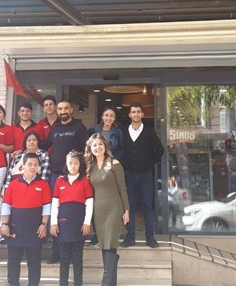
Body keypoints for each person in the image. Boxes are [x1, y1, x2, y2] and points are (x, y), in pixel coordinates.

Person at [43, 99, 88, 264]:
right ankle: (56, 252)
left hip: (74, 177)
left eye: (66, 108)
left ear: (71, 110)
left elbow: (87, 151)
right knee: (56, 212)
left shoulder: (79, 127)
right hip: (56, 176)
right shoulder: (55, 128)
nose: (63, 111)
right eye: (60, 108)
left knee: (72, 212)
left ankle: (72, 249)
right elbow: (45, 145)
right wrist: (27, 146)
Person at [85, 133, 129, 286]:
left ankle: (104, 283)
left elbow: (123, 188)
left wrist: (127, 210)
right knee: (105, 246)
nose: (98, 147)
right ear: (90, 148)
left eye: (100, 144)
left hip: (114, 209)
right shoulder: (89, 167)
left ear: (105, 146)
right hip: (98, 211)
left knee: (110, 244)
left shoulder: (114, 163)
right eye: (94, 145)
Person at [0, 153, 51, 286]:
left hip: (35, 229)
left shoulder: (44, 184)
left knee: (34, 261)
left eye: (35, 164)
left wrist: (44, 224)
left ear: (39, 167)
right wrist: (4, 224)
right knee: (13, 260)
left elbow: (47, 207)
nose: (33, 167)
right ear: (23, 166)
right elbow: (6, 206)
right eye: (30, 164)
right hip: (15, 228)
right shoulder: (13, 184)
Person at [121, 103, 164, 249]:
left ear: (142, 114)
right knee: (130, 206)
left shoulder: (149, 132)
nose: (136, 114)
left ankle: (150, 237)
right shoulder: (123, 131)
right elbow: (120, 150)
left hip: (145, 175)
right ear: (129, 114)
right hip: (128, 176)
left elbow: (160, 150)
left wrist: (149, 162)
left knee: (147, 206)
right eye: (133, 112)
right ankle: (130, 237)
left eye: (138, 112)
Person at [50, 151, 94, 286]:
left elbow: (90, 203)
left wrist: (87, 223)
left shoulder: (85, 181)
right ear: (66, 164)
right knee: (64, 258)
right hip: (63, 225)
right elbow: (55, 204)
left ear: (80, 164)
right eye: (70, 163)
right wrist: (53, 223)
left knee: (77, 258)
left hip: (79, 224)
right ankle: (63, 283)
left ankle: (78, 283)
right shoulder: (59, 181)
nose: (73, 166)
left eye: (76, 163)